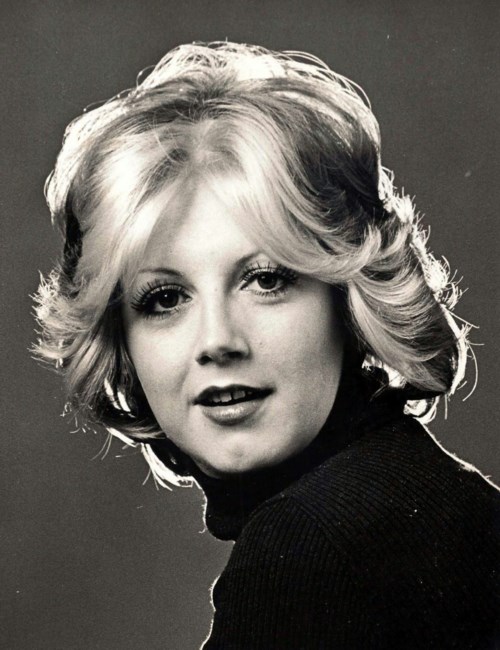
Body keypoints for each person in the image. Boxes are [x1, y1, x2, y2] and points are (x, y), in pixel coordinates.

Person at [34, 42, 499, 648]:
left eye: (266, 280)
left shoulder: (308, 546)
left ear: (348, 297)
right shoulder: (438, 498)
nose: (218, 341)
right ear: (120, 337)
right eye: (165, 298)